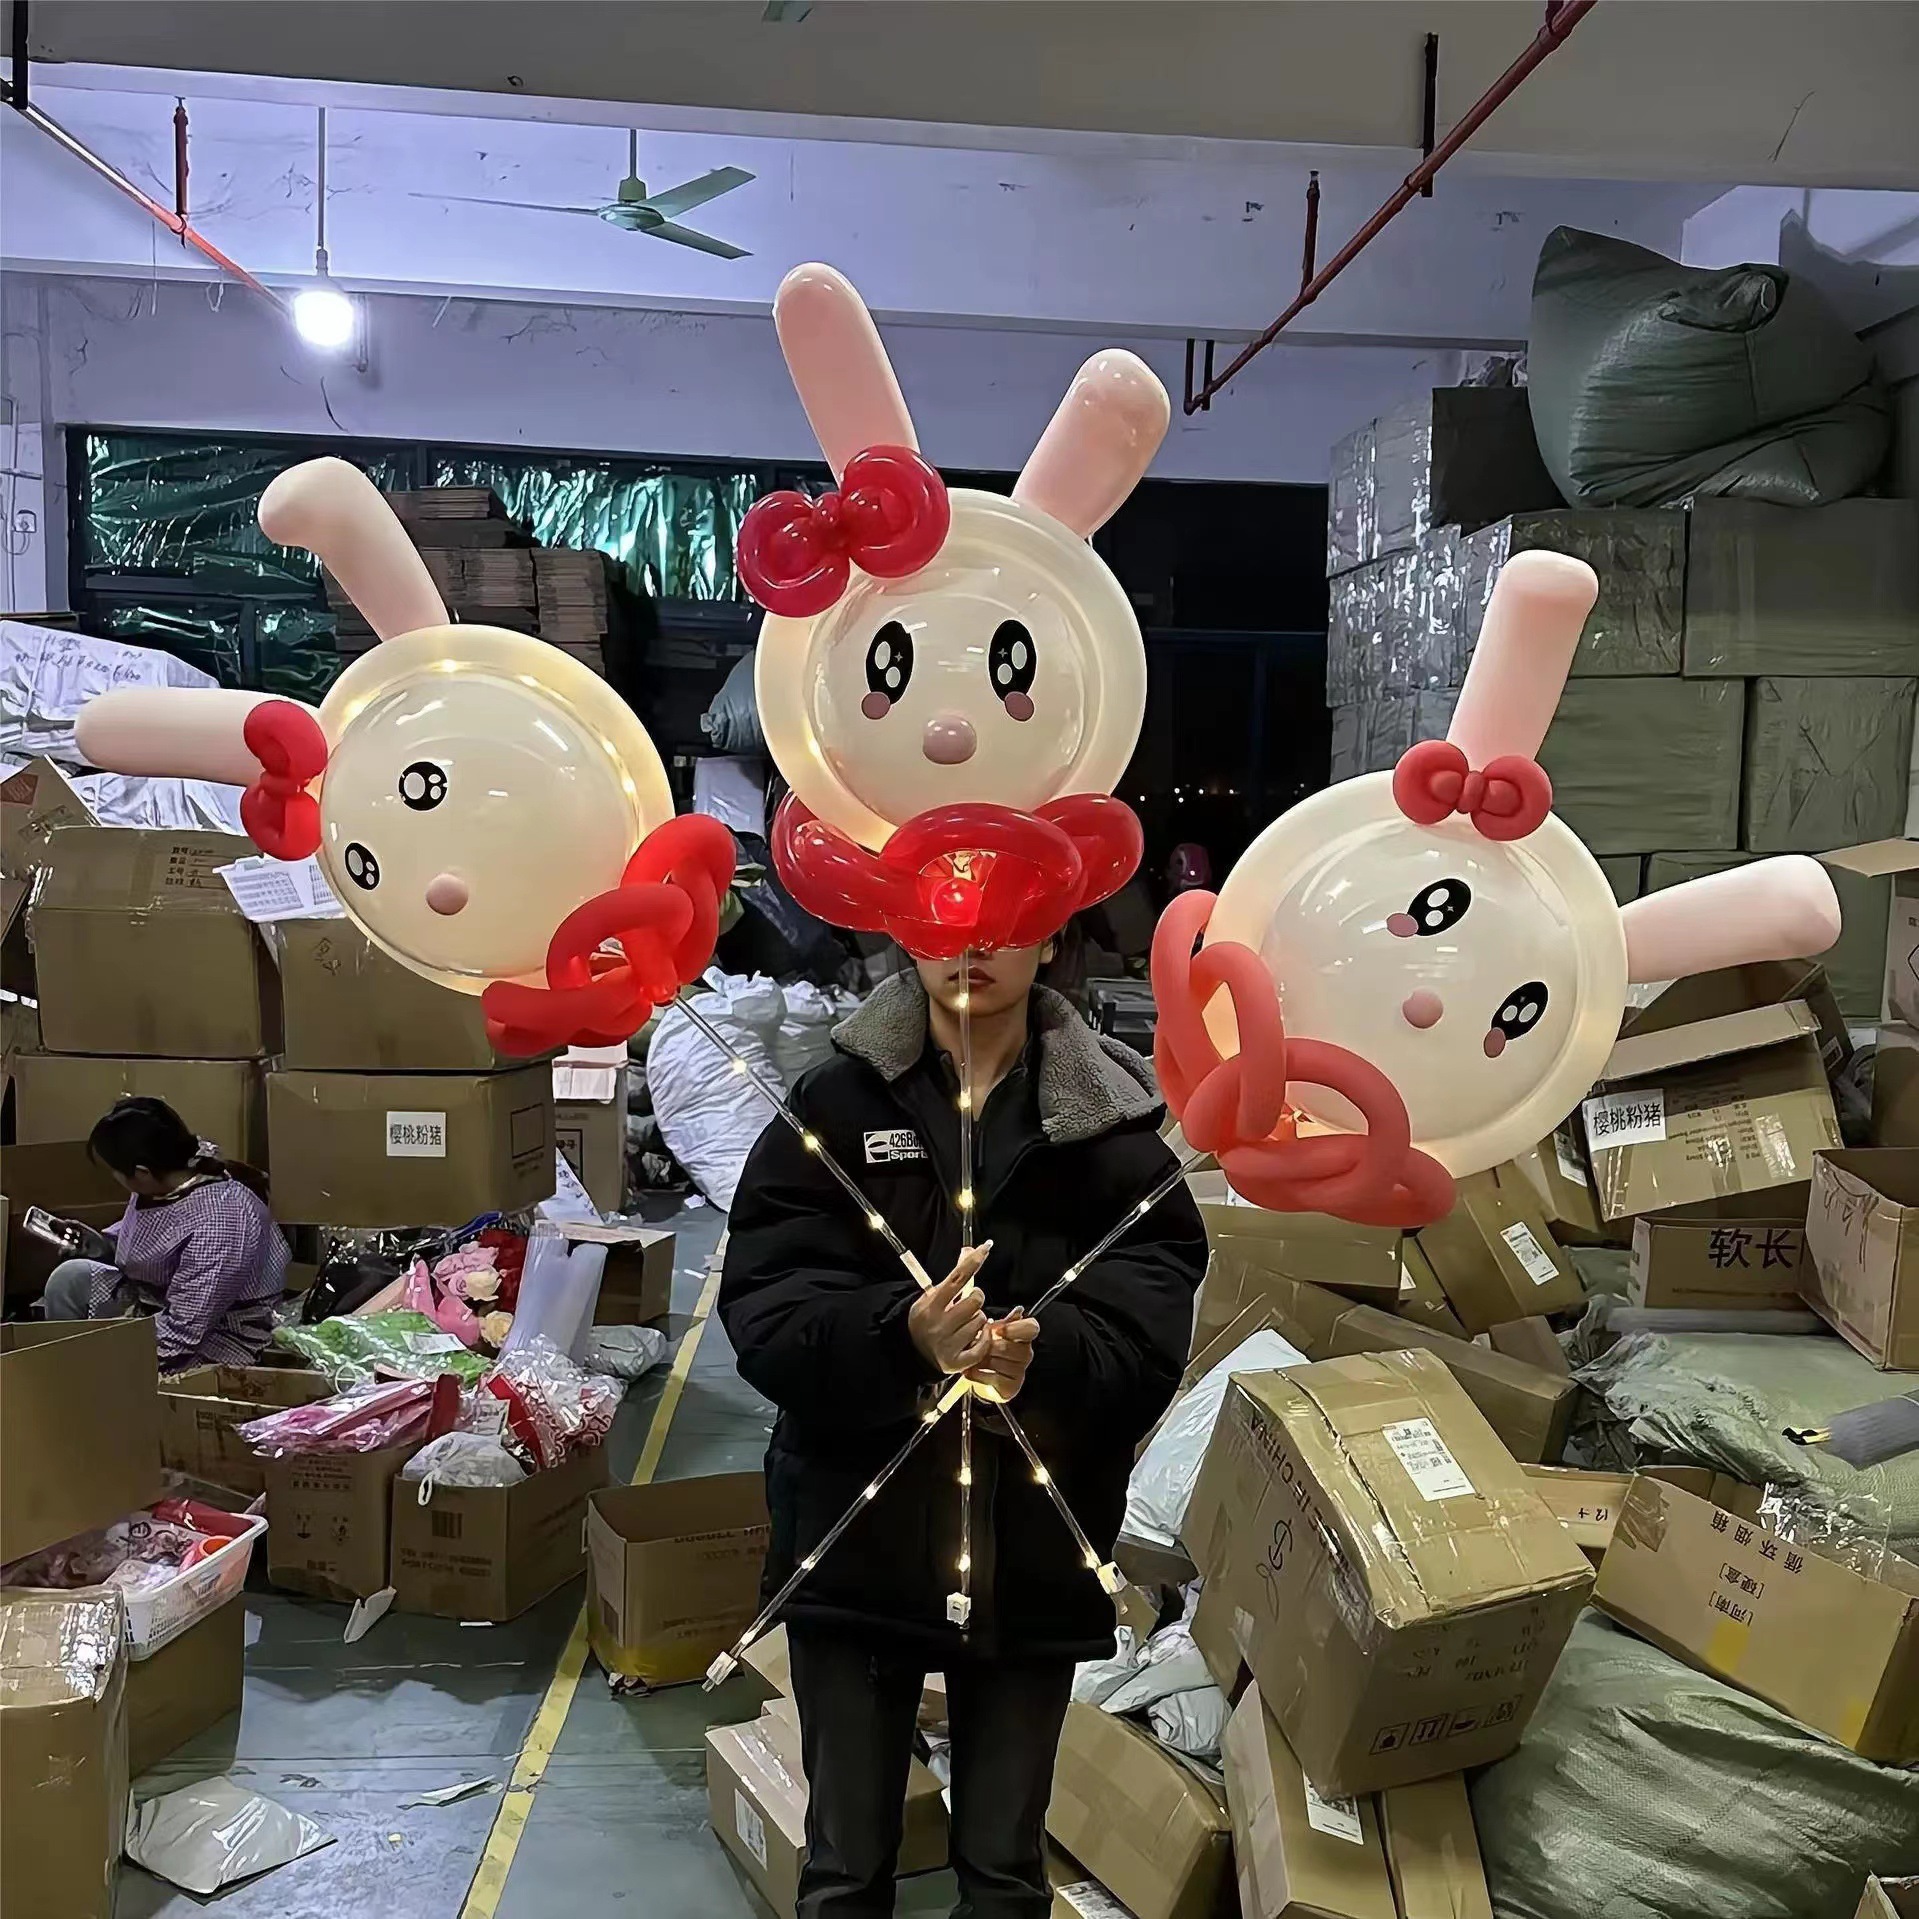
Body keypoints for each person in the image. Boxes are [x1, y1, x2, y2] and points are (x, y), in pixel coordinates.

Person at [720, 941, 1206, 1919]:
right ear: (904, 924)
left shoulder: (1109, 1130)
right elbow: (768, 1300)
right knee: (843, 1872)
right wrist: (898, 1335)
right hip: (854, 1540)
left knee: (1003, 1874)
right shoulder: (832, 1106)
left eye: (1004, 912)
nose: (971, 941)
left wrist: (1046, 1357)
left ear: (1052, 927)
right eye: (943, 909)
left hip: (1032, 1549)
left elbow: (1148, 1319)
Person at [40, 1097, 289, 1372]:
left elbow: (182, 1333)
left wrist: (103, 1351)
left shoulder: (220, 1223)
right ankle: (70, 1368)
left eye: (114, 1171)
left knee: (112, 1375)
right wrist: (104, 1246)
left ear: (141, 1173)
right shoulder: (164, 1181)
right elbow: (151, 1231)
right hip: (154, 1298)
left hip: (216, 1333)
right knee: (69, 1280)